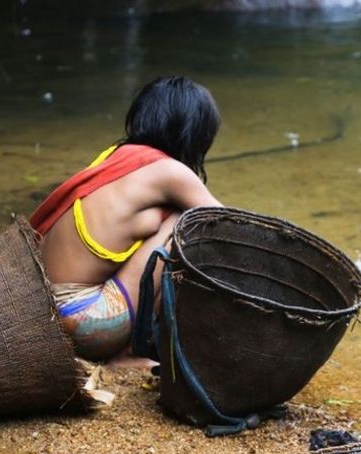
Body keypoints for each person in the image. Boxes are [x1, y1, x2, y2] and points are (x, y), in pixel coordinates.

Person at [31, 76, 223, 363]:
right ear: (193, 133)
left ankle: (127, 347)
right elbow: (231, 226)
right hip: (86, 322)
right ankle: (132, 352)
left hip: (43, 317)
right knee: (189, 222)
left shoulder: (115, 157)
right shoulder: (168, 171)